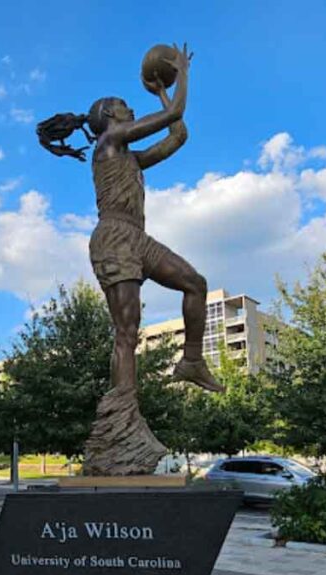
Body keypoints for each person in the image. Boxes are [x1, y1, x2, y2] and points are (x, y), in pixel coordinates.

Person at [36, 43, 223, 396]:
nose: (131, 107)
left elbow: (178, 134)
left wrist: (164, 92)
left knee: (196, 284)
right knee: (127, 331)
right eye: (124, 104)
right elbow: (174, 116)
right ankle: (121, 407)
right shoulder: (109, 139)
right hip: (114, 237)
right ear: (108, 113)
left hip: (138, 238)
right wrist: (182, 73)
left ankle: (192, 361)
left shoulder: (131, 158)